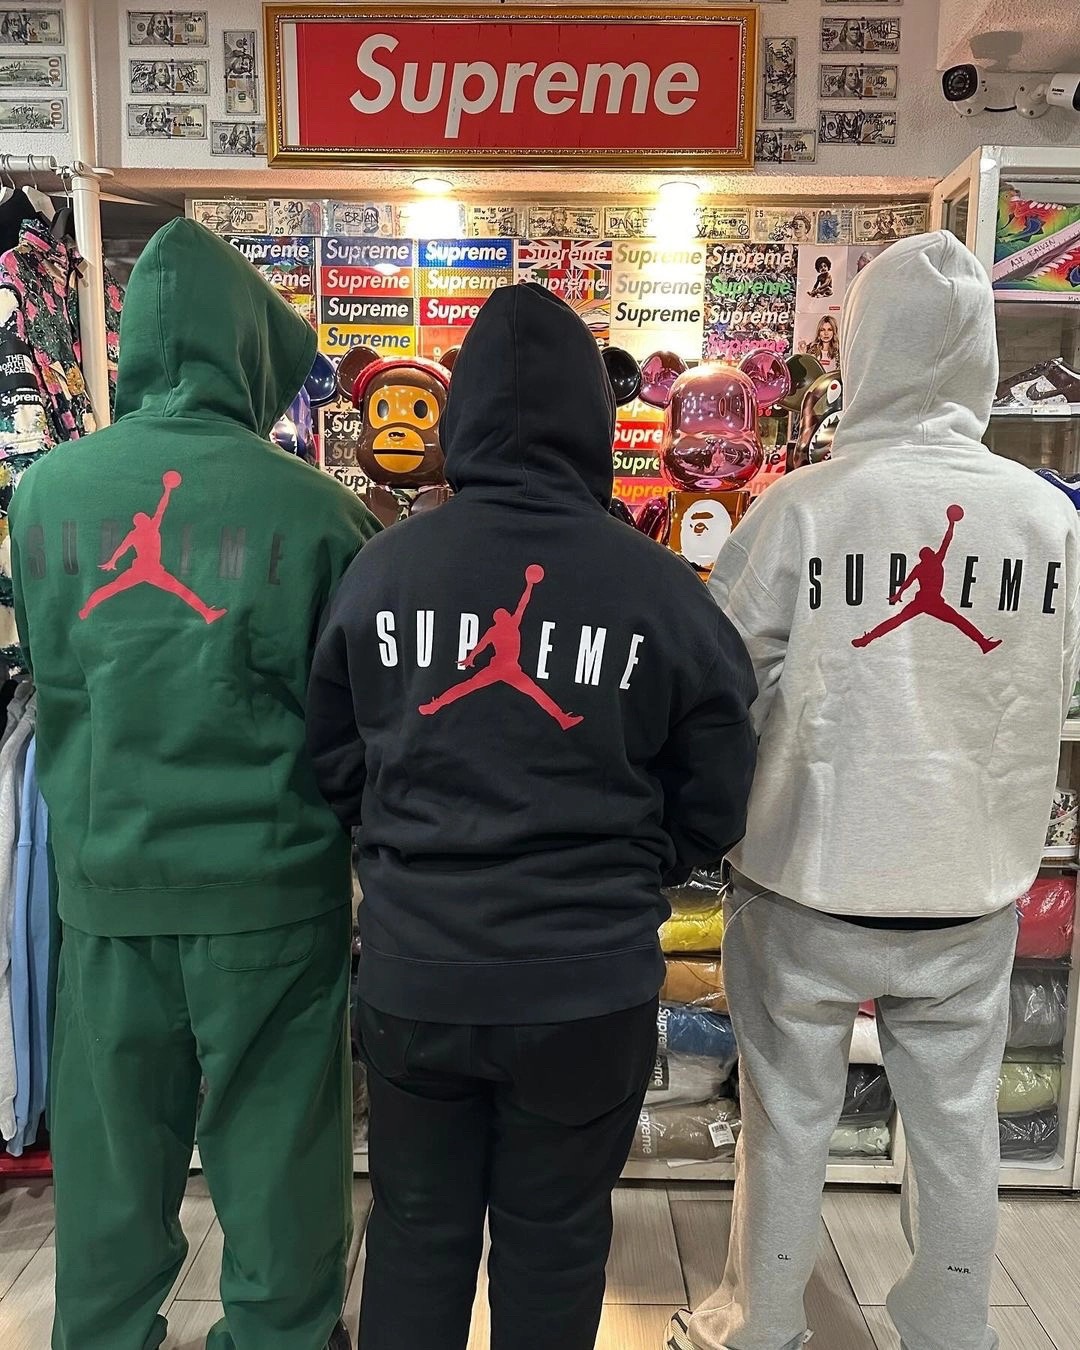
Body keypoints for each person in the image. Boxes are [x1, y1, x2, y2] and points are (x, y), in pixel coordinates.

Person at [307, 281, 757, 1350]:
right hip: (585, 982)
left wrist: (400, 845)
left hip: (419, 972)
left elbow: (333, 757)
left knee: (415, 1234)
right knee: (554, 1243)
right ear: (595, 421)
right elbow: (720, 778)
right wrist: (651, 857)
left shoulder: (381, 571)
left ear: (457, 415)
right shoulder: (659, 587)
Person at [665, 231, 1080, 1350]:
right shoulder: (1048, 518)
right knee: (958, 1129)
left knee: (786, 1124)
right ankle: (952, 1324)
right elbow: (1061, 680)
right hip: (971, 885)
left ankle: (762, 1325)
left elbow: (718, 684)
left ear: (865, 346)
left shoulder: (801, 508)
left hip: (807, 874)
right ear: (983, 354)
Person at [10, 219, 379, 1350]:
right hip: (271, 888)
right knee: (280, 1155)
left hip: (109, 883)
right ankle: (279, 1337)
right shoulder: (322, 513)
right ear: (250, 349)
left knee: (110, 1157)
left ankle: (103, 1335)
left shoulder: (43, 495)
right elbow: (348, 719)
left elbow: (56, 675)